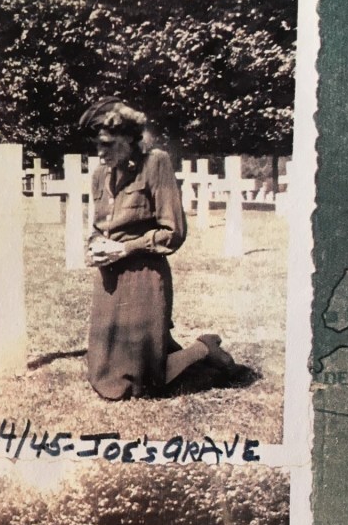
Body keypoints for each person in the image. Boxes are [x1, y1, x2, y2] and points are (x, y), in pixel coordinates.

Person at [80, 96, 240, 400]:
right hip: (110, 279)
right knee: (103, 375)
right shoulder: (100, 174)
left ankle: (203, 347)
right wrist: (96, 245)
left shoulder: (156, 164)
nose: (100, 153)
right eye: (97, 145)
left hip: (144, 275)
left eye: (107, 144)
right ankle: (173, 350)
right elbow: (99, 227)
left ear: (129, 138)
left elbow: (174, 231)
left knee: (140, 384)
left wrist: (127, 249)